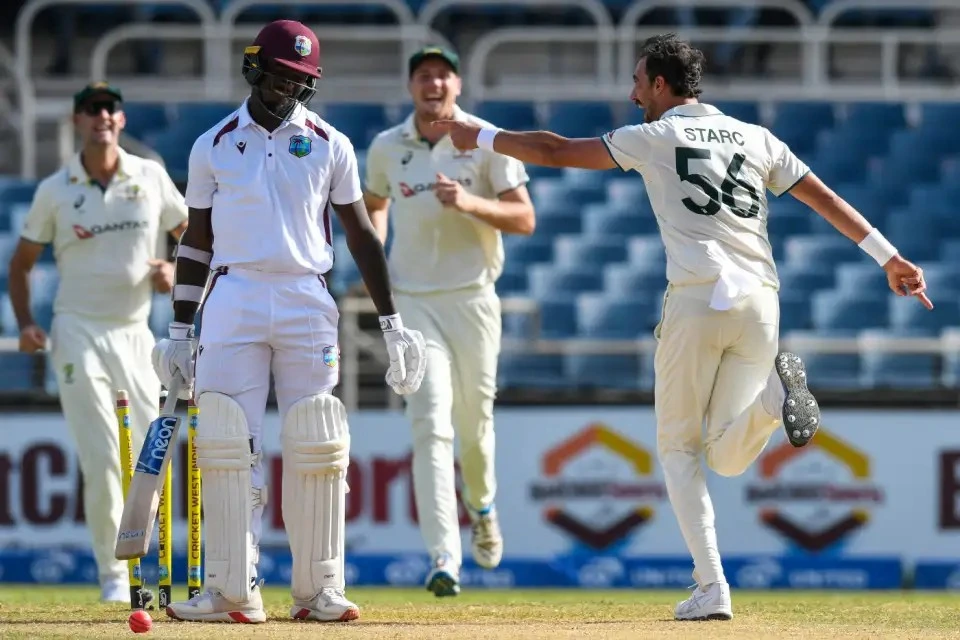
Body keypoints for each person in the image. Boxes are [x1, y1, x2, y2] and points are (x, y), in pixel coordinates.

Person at [434, 33, 933, 620]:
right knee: (725, 457)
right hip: (761, 304)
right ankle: (774, 399)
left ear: (660, 84)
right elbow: (823, 199)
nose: (633, 94)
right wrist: (889, 258)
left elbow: (555, 149)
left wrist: (481, 136)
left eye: (638, 82)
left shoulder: (655, 136)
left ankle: (712, 585)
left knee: (677, 449)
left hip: (698, 297)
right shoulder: (756, 136)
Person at [151, 20, 426, 624]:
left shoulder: (330, 142)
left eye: (299, 81)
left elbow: (362, 235)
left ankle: (319, 590)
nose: (287, 90)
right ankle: (232, 591)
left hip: (307, 295)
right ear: (254, 68)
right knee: (226, 441)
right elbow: (196, 242)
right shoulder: (213, 144)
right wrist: (180, 329)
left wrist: (392, 323)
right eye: (279, 76)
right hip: (234, 296)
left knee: (317, 437)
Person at [363, 46, 535, 597]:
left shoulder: (484, 138)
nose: (433, 83)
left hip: (473, 299)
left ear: (457, 84)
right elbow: (375, 206)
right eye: (423, 75)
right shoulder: (387, 146)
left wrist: (468, 203)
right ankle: (444, 558)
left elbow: (525, 218)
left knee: (474, 426)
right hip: (413, 303)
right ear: (411, 85)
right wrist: (374, 255)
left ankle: (482, 508)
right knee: (429, 422)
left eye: (442, 75)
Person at [7, 81, 188, 603]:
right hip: (77, 331)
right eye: (91, 109)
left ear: (121, 120)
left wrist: (174, 272)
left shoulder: (150, 176)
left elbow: (195, 239)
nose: (102, 116)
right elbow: (20, 265)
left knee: (147, 457)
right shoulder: (56, 189)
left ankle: (146, 564)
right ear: (77, 121)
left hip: (135, 333)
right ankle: (114, 574)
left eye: (110, 108)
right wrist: (26, 323)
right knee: (102, 455)